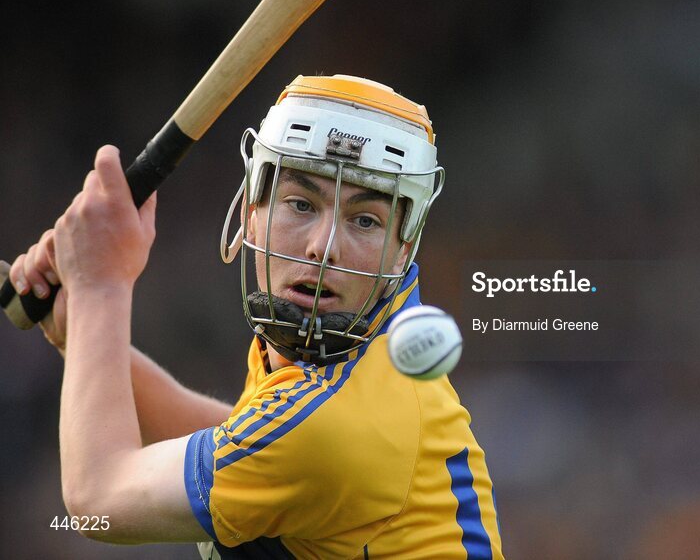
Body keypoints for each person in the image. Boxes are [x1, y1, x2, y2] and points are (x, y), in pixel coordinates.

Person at [8, 75, 503, 559]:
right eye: (301, 204)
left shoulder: (335, 426)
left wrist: (100, 286)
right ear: (251, 210)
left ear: (404, 248)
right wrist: (86, 334)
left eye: (365, 220)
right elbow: (249, 443)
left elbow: (96, 500)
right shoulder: (353, 357)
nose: (323, 248)